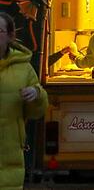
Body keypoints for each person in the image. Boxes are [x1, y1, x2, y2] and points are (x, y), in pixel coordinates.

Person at [0, 12, 49, 189]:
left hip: (9, 154)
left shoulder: (24, 68)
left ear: (10, 36)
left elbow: (37, 112)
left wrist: (36, 94)